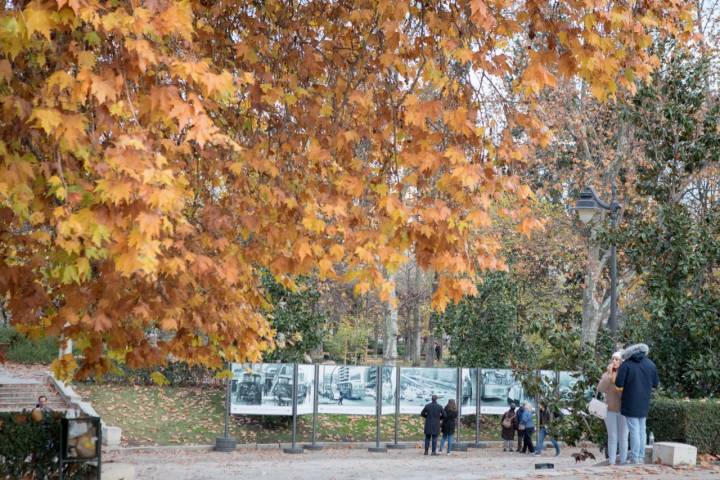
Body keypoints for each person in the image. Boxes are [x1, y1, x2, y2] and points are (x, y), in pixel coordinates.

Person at [615, 343, 659, 464]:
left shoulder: (626, 365)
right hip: (644, 401)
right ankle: (640, 456)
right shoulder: (651, 364)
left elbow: (619, 383)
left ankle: (635, 457)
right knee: (642, 429)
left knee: (634, 430)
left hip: (630, 401)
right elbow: (656, 384)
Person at [598, 351, 628, 465]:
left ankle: (624, 461)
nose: (614, 361)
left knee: (623, 436)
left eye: (617, 359)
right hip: (610, 410)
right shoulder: (607, 374)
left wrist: (617, 381)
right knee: (612, 436)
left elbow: (623, 393)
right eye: (613, 359)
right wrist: (609, 376)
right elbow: (600, 388)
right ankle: (611, 461)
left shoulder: (625, 374)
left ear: (621, 362)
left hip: (624, 410)